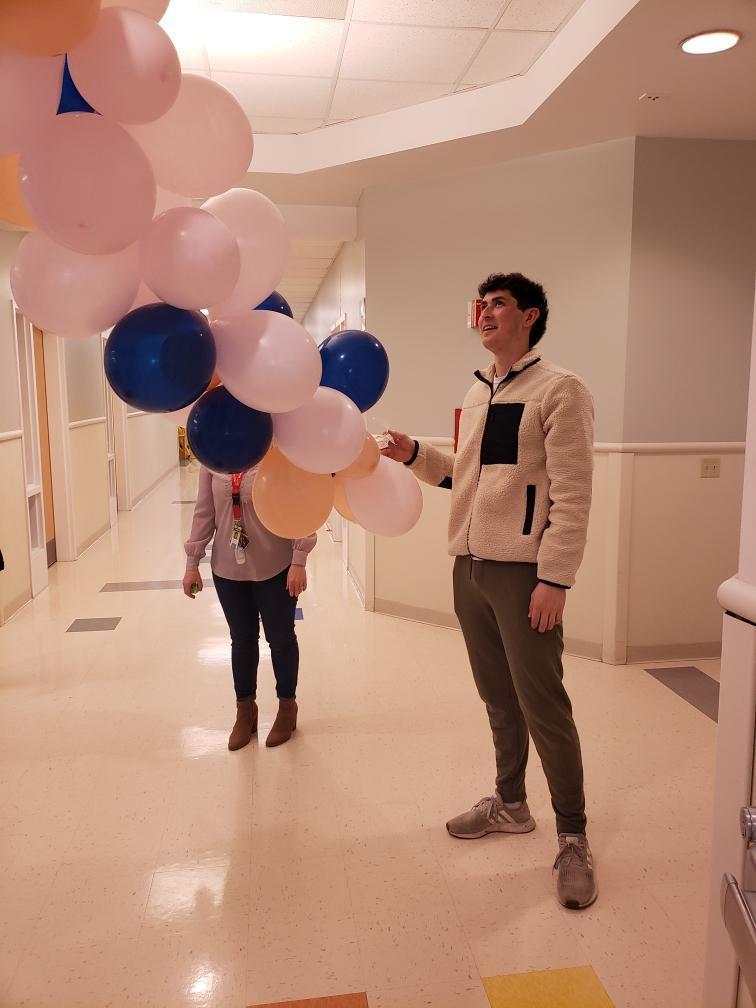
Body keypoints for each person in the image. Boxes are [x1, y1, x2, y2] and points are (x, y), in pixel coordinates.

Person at [382, 272, 596, 909]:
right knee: (498, 699)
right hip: (469, 570)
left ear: (530, 316)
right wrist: (413, 454)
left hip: (524, 575)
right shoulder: (478, 392)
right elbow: (465, 476)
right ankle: (511, 803)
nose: (485, 313)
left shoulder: (560, 390)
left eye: (499, 303)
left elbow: (573, 495)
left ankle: (574, 836)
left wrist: (554, 578)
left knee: (543, 705)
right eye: (482, 304)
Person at [183, 465, 316, 750]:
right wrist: (192, 563)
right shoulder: (212, 460)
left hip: (276, 565)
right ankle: (245, 710)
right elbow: (204, 512)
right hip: (227, 569)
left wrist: (299, 559)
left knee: (280, 639)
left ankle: (287, 707)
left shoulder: (276, 454)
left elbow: (299, 505)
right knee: (241, 640)